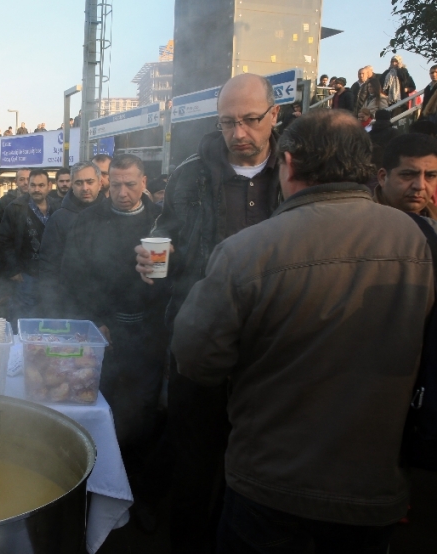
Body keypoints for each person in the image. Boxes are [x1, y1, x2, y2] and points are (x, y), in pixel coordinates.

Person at [171, 109, 434, 553]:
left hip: (269, 485)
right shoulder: (418, 240)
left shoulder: (245, 251)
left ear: (288, 165)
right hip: (372, 488)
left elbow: (196, 358)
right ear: (369, 169)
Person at [135, 73, 281, 554]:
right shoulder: (190, 173)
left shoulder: (295, 168)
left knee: (259, 461)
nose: (239, 133)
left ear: (273, 116)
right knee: (194, 460)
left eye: (250, 120)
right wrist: (152, 259)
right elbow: (165, 233)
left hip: (274, 344)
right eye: (227, 122)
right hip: (199, 333)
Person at [63, 154, 169, 531]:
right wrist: (96, 321)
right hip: (102, 333)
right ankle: (94, 491)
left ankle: (135, 500)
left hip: (148, 333)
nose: (122, 193)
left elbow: (180, 273)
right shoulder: (88, 221)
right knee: (100, 410)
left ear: (144, 182)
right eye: (117, 185)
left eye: (130, 184)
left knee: (141, 416)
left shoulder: (161, 219)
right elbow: (72, 276)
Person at [0, 169, 59, 327]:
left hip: (51, 274)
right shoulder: (15, 208)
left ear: (49, 186)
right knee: (25, 314)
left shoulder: (58, 208)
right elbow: (3, 240)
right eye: (33, 185)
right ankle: (22, 347)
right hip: (26, 273)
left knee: (50, 311)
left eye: (41, 185)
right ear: (28, 186)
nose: (37, 189)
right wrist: (13, 269)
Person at [39, 161, 103, 318]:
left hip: (106, 307)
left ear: (100, 184)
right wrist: (52, 309)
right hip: (69, 307)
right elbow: (48, 268)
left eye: (90, 182)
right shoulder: (59, 219)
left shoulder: (111, 215)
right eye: (79, 183)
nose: (85, 188)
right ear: (72, 186)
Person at [373, 133, 437, 218]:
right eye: (408, 175)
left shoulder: (433, 215)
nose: (420, 186)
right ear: (383, 177)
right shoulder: (360, 223)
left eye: (430, 176)